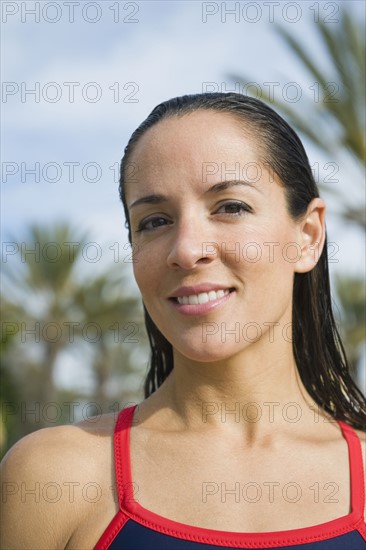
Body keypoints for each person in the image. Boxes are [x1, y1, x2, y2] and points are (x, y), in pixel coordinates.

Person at [1, 93, 365, 549]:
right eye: (154, 221)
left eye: (230, 207)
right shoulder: (55, 477)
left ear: (307, 236)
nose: (187, 249)